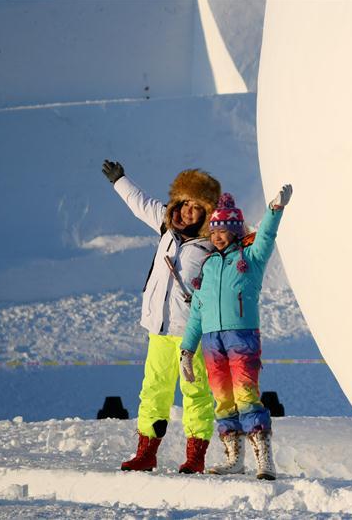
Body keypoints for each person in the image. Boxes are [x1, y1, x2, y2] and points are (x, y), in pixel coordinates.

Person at [101, 160, 220, 473]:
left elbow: (246, 240)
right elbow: (140, 204)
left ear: (207, 211)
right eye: (184, 203)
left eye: (196, 207)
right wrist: (119, 180)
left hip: (193, 334)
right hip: (160, 329)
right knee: (154, 389)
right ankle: (146, 453)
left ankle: (195, 457)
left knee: (196, 393)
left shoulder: (213, 244)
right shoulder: (166, 224)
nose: (187, 212)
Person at [178, 184, 292, 480]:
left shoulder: (250, 258)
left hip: (241, 337)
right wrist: (186, 350)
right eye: (214, 231)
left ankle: (264, 459)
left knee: (246, 396)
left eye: (223, 230)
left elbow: (266, 237)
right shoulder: (208, 266)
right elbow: (197, 312)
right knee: (223, 399)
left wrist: (274, 210)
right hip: (212, 341)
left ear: (235, 230)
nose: (217, 236)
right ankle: (234, 459)